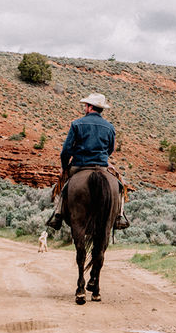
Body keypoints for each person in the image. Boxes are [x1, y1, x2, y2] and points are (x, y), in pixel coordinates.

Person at [47, 92, 129, 230]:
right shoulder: (109, 127)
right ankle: (119, 216)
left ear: (90, 107)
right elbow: (110, 149)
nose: (85, 108)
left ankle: (58, 214)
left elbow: (66, 150)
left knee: (63, 185)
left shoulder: (77, 124)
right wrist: (102, 157)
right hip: (102, 166)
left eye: (86, 106)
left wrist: (63, 167)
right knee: (120, 186)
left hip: (79, 165)